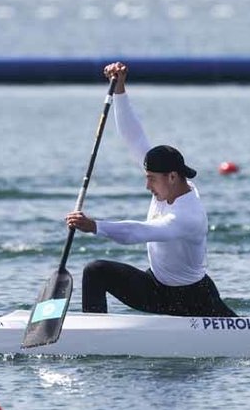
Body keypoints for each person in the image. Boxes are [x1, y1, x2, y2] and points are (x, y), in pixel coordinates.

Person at [64, 62, 237, 318]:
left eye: (152, 179)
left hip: (193, 299)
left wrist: (95, 226)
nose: (147, 186)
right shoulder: (165, 181)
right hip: (156, 287)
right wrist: (120, 88)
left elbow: (139, 232)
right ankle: (96, 331)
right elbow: (133, 137)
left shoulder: (189, 216)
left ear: (172, 176)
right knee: (95, 271)